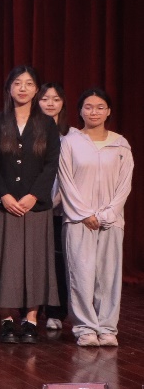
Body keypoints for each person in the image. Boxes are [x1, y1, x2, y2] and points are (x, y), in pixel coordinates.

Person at [0, 66, 62, 344]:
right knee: (5, 262)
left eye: (29, 84)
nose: (23, 88)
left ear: (36, 90)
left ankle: (30, 319)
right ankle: (6, 319)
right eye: (17, 83)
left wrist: (34, 196)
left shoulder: (46, 124)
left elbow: (51, 164)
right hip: (3, 204)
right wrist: (3, 195)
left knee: (35, 262)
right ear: (9, 88)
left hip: (35, 206)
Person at [59, 88, 133, 347]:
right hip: (79, 220)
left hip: (112, 221)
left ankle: (107, 328)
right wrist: (84, 213)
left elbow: (124, 184)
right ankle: (85, 328)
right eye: (88, 107)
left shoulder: (121, 144)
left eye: (100, 107)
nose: (94, 112)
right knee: (81, 274)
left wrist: (107, 215)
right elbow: (66, 181)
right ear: (80, 111)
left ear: (108, 111)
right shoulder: (70, 142)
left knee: (109, 276)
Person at [38, 82, 70, 331]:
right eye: (45, 99)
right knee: (34, 261)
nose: (50, 103)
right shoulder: (30, 133)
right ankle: (31, 308)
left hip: (58, 208)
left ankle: (55, 312)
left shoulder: (70, 138)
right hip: (33, 206)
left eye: (56, 99)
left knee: (57, 261)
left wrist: (55, 201)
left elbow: (70, 177)